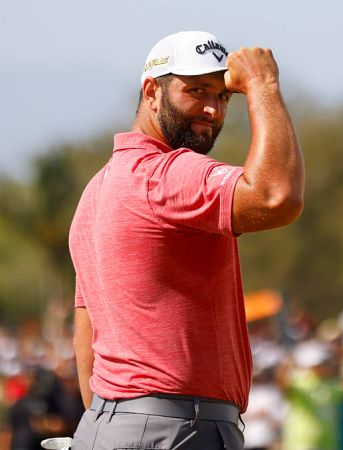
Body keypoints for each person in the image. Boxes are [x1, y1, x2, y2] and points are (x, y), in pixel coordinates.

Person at [68, 30, 304, 450]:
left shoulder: (96, 192)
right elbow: (276, 196)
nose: (212, 109)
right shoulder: (170, 174)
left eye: (223, 96)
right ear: (151, 92)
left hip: (104, 424)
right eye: (196, 90)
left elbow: (88, 339)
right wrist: (263, 85)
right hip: (180, 427)